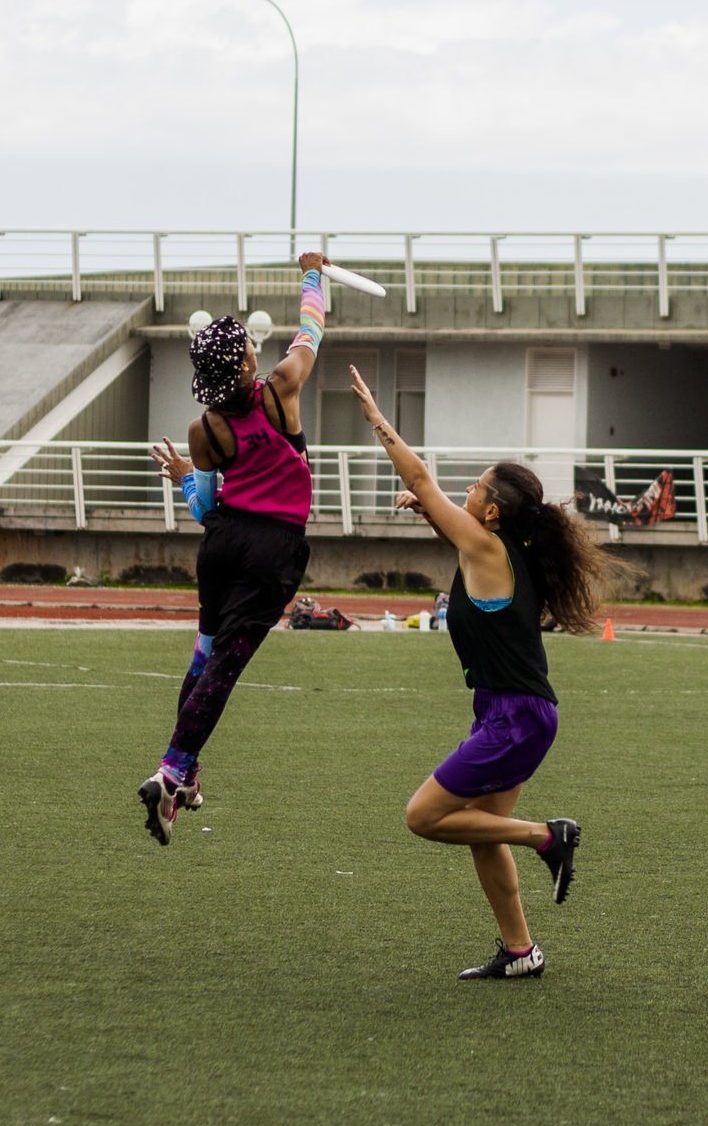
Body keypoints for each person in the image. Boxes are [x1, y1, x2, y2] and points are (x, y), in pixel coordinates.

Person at [349, 363, 626, 980]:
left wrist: (376, 417)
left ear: (494, 512)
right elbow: (443, 514)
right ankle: (522, 952)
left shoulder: (487, 546)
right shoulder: (498, 549)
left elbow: (420, 476)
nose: (466, 493)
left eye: (475, 488)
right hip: (518, 713)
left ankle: (547, 838)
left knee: (423, 817)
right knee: (482, 832)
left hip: (515, 716)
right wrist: (428, 510)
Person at [138, 251, 328, 846]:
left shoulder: (204, 430)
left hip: (223, 546)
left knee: (204, 657)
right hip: (273, 551)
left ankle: (186, 775)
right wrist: (314, 274)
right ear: (248, 360)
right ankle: (171, 773)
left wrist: (185, 478)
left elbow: (208, 509)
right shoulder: (282, 388)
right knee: (225, 667)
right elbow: (311, 329)